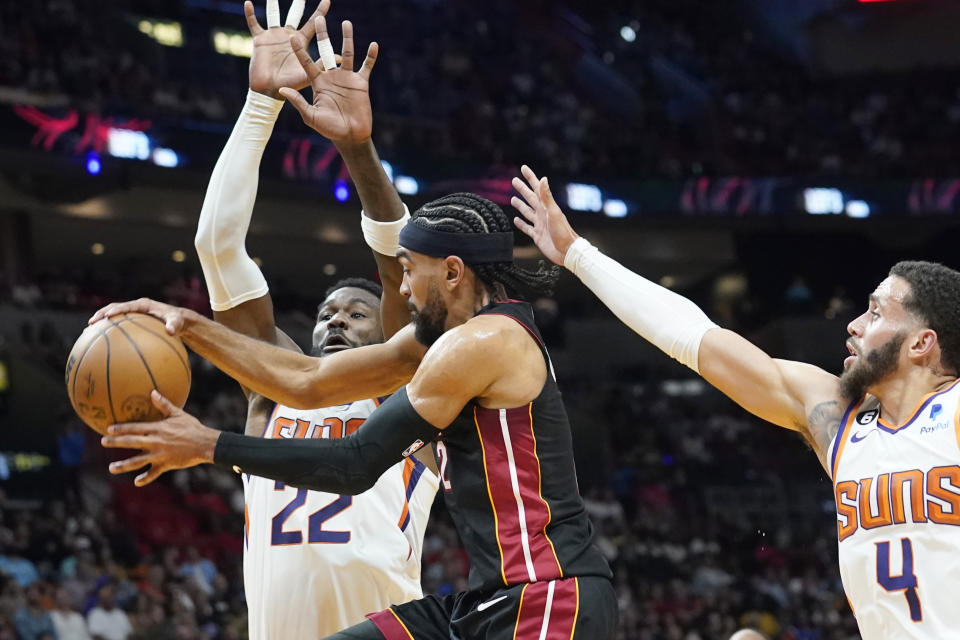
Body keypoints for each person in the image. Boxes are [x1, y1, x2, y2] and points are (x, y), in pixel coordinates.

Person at [95, 185, 617, 638]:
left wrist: (209, 445)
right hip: (488, 600)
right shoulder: (440, 341)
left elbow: (355, 463)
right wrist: (188, 326)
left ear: (453, 273)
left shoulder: (483, 342)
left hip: (549, 594)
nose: (404, 288)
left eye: (410, 271)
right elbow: (308, 381)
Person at [508, 164, 960, 640]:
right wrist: (578, 255)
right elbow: (695, 337)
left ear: (920, 343)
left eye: (874, 313)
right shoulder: (838, 418)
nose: (853, 325)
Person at [191, 2, 437, 638]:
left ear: (388, 332)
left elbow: (398, 268)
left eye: (358, 314)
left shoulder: (412, 388)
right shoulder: (272, 390)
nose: (335, 322)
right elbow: (218, 249)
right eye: (327, 313)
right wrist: (260, 107)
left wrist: (358, 152)